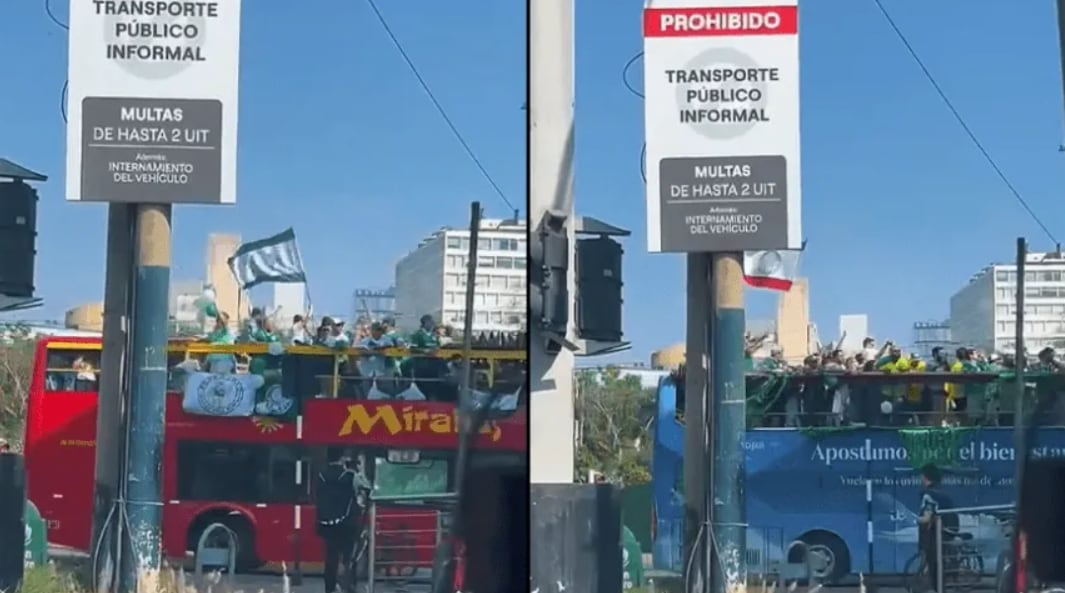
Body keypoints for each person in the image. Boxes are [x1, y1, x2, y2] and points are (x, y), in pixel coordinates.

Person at [316, 448, 362, 593]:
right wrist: (358, 469)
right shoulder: (350, 476)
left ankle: (329, 588)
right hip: (347, 524)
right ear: (342, 459)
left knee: (331, 558)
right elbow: (365, 487)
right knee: (349, 557)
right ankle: (349, 586)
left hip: (327, 523)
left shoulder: (321, 475)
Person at [918, 464, 957, 593]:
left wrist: (917, 520)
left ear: (925, 477)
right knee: (940, 570)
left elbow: (927, 516)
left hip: (933, 539)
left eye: (922, 476)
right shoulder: (945, 495)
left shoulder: (928, 495)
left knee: (935, 571)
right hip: (946, 535)